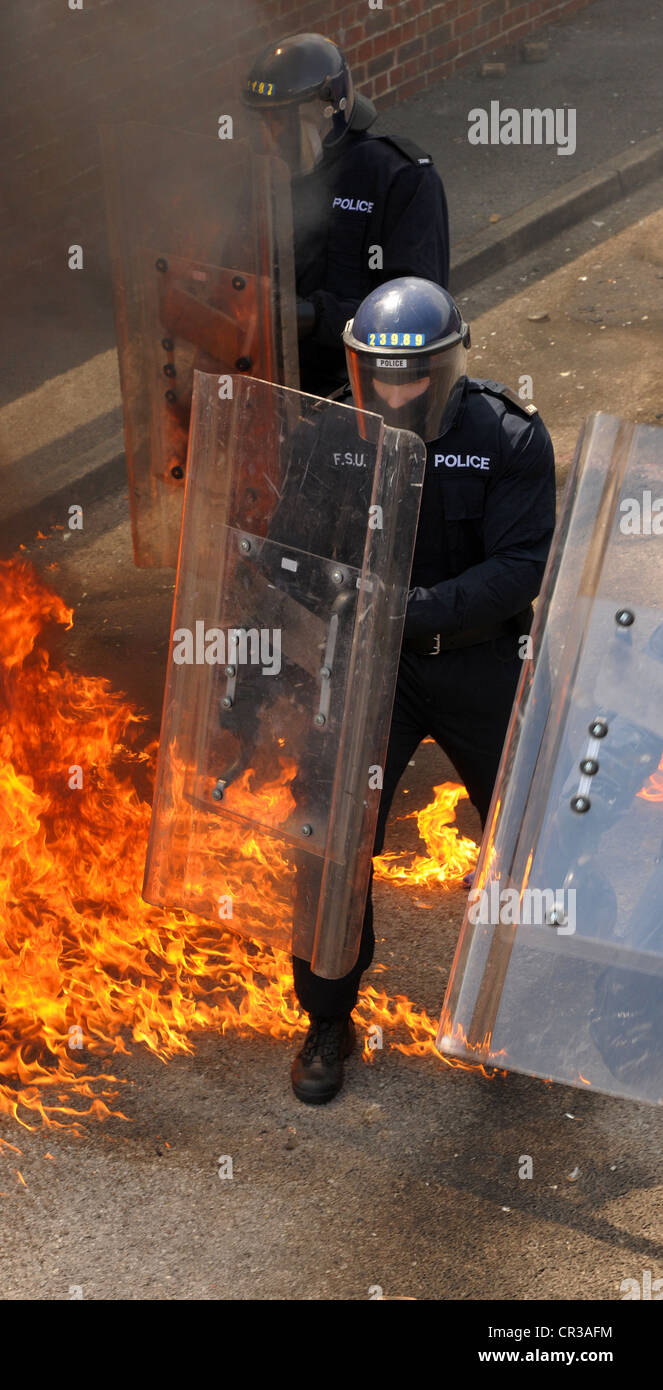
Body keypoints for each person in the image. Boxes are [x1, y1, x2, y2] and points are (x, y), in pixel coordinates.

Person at [290, 276, 557, 1104]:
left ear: (445, 366)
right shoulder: (331, 433)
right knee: (332, 837)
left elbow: (516, 571)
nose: (396, 390)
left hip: (480, 660)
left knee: (523, 836)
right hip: (374, 668)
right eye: (381, 373)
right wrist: (337, 605)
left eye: (413, 375)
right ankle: (326, 1019)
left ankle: (516, 1009)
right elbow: (292, 549)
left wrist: (400, 606)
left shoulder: (507, 436)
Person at [243, 32, 450, 398]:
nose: (268, 137)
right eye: (261, 122)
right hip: (273, 383)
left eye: (280, 121)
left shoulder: (399, 178)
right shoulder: (264, 182)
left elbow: (416, 320)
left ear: (327, 110)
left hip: (369, 390)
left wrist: (309, 317)